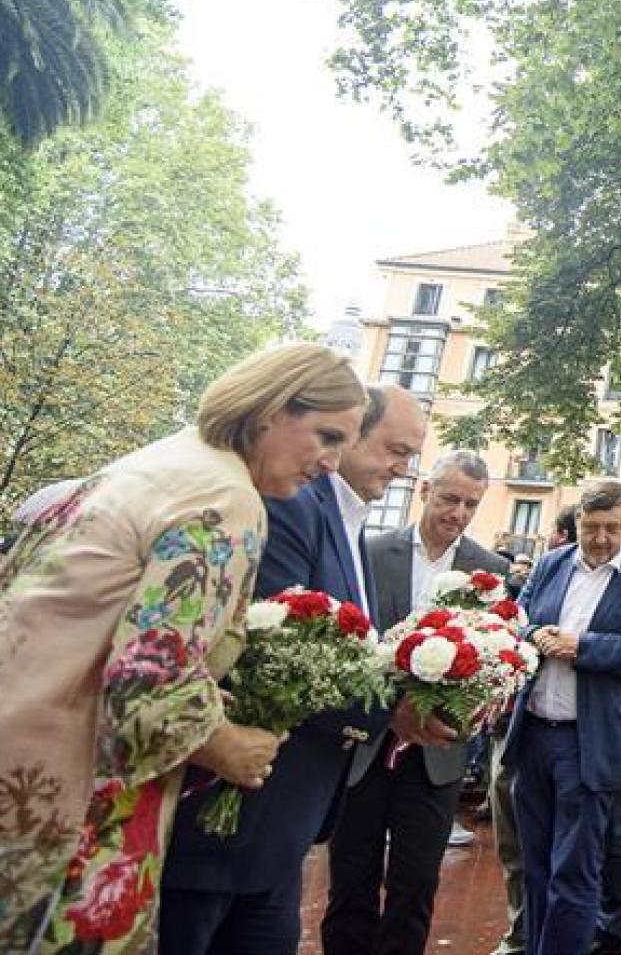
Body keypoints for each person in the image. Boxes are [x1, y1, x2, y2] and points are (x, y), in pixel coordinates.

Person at [0, 343, 366, 954]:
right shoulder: (225, 500)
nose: (330, 464)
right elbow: (148, 688)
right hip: (65, 802)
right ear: (272, 409)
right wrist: (229, 746)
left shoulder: (157, 463)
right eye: (327, 436)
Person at [161, 383, 447, 955]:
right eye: (395, 450)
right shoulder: (292, 506)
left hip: (278, 824)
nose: (404, 469)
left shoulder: (346, 520)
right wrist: (394, 709)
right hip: (232, 813)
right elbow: (275, 650)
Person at [321, 451, 506, 955]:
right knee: (351, 879)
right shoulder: (371, 551)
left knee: (415, 884)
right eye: (450, 499)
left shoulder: (489, 572)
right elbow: (349, 645)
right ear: (425, 491)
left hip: (436, 753)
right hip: (364, 746)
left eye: (471, 504)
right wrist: (390, 708)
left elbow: (495, 662)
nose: (459, 514)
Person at [509, 479, 621, 955]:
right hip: (536, 732)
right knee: (535, 863)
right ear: (577, 524)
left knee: (574, 869)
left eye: (612, 528)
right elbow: (518, 616)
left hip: (592, 742)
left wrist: (582, 647)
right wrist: (535, 632)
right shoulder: (550, 564)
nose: (601, 539)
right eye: (591, 527)